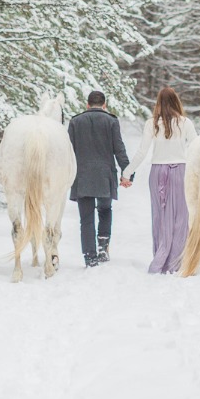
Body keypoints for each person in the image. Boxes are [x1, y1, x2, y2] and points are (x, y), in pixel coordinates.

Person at [122, 86, 197, 274]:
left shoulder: (152, 123)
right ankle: (176, 261)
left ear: (158, 103)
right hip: (180, 172)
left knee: (160, 217)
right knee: (181, 217)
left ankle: (160, 257)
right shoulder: (186, 123)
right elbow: (197, 148)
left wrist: (126, 173)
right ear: (176, 102)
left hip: (157, 173)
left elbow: (142, 152)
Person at [68, 90, 131, 267]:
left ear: (87, 105)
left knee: (86, 218)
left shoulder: (75, 122)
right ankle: (103, 248)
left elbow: (68, 152)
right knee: (105, 210)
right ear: (104, 105)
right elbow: (119, 149)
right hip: (105, 175)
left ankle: (89, 255)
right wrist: (127, 173)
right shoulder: (111, 121)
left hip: (83, 176)